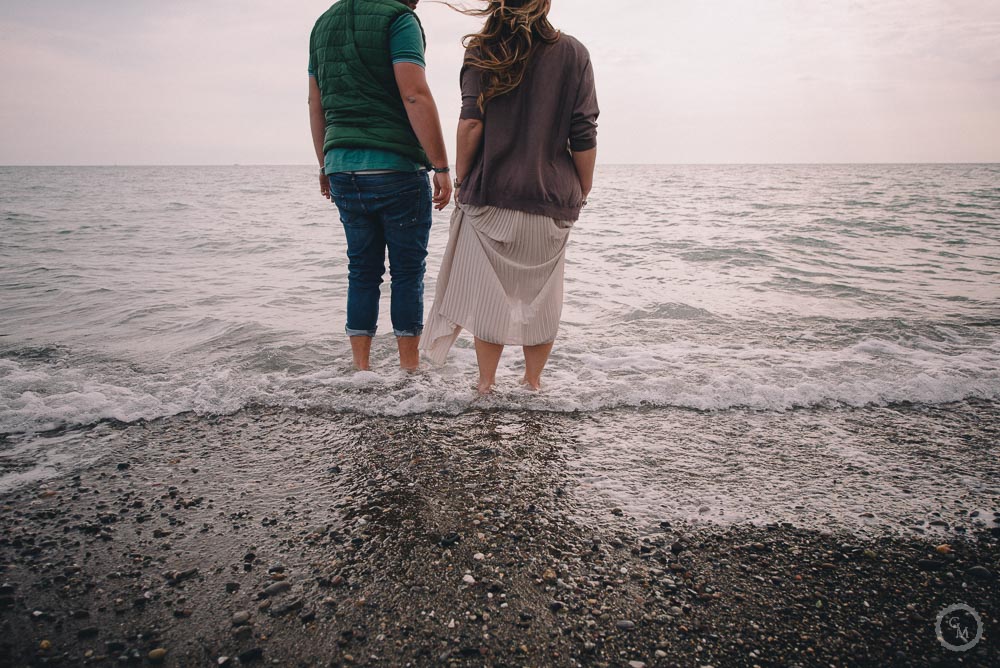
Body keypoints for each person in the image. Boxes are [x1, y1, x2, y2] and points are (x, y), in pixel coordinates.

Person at [420, 0, 598, 394]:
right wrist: (581, 189)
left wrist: (462, 179)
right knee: (543, 297)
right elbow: (583, 132)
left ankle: (485, 385)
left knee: (490, 297)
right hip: (551, 197)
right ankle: (533, 383)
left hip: (491, 195)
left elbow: (471, 123)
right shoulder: (574, 53)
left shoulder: (482, 50)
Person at [308, 0, 452, 371]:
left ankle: (361, 371)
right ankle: (409, 371)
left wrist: (324, 163)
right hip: (395, 167)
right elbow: (414, 93)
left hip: (342, 168)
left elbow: (315, 102)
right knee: (407, 273)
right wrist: (440, 165)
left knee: (362, 271)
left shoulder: (323, 24)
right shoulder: (399, 19)